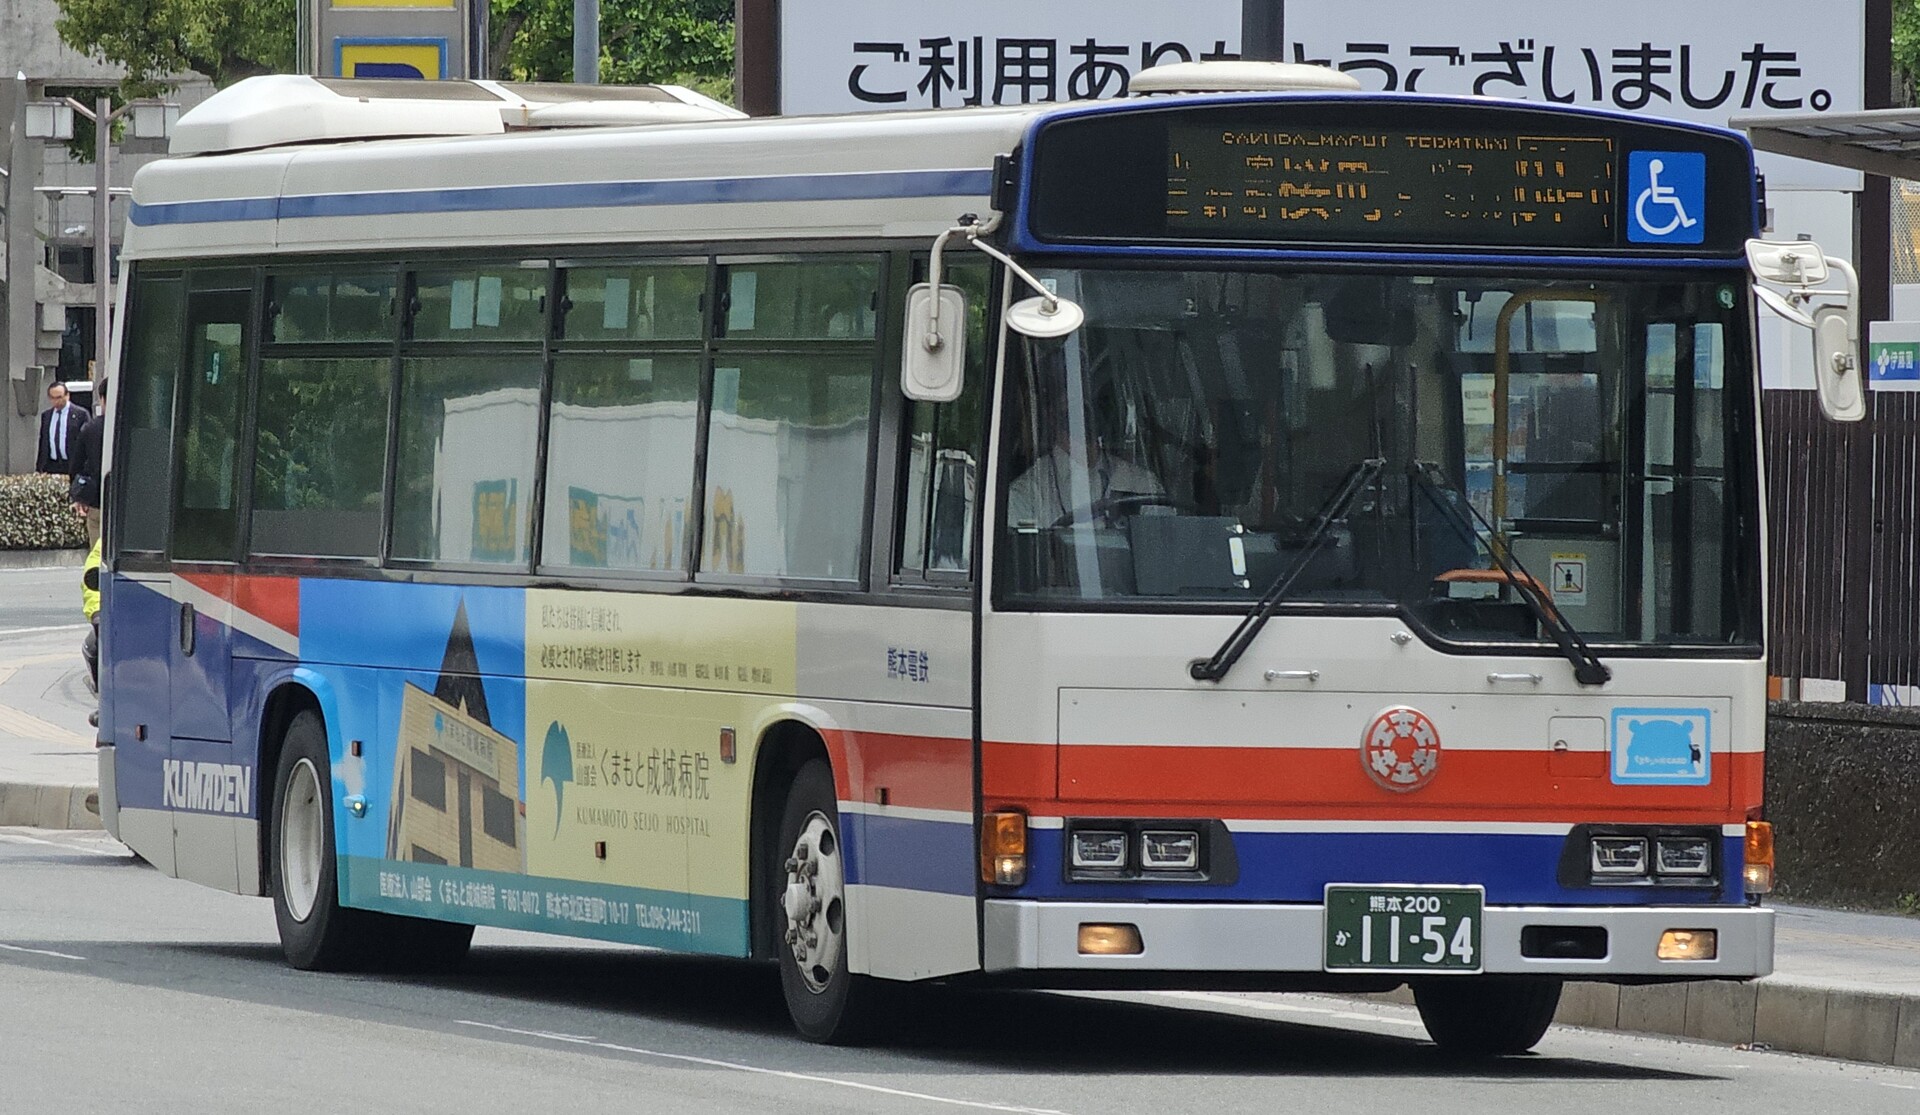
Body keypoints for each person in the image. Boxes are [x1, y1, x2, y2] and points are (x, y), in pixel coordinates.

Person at [1005, 386, 1162, 529]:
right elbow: (1026, 553)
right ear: (1050, 415)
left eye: (1090, 398)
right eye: (1071, 398)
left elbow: (1165, 545)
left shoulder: (1142, 485)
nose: (1082, 409)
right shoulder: (1025, 496)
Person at [68, 382, 106, 545]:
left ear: (102, 398)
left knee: (97, 553)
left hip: (96, 501)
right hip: (131, 507)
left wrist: (78, 497)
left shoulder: (91, 428)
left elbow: (75, 466)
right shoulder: (137, 427)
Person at [36, 381, 90, 475]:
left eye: (59, 397)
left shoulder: (80, 414)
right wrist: (39, 468)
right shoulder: (46, 416)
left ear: (67, 395)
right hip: (52, 466)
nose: (56, 401)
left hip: (72, 465)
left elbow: (87, 440)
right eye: (53, 398)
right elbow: (43, 442)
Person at [80, 539, 101, 727]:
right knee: (91, 647)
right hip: (117, 616)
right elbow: (91, 576)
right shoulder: (106, 543)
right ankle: (106, 701)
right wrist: (96, 613)